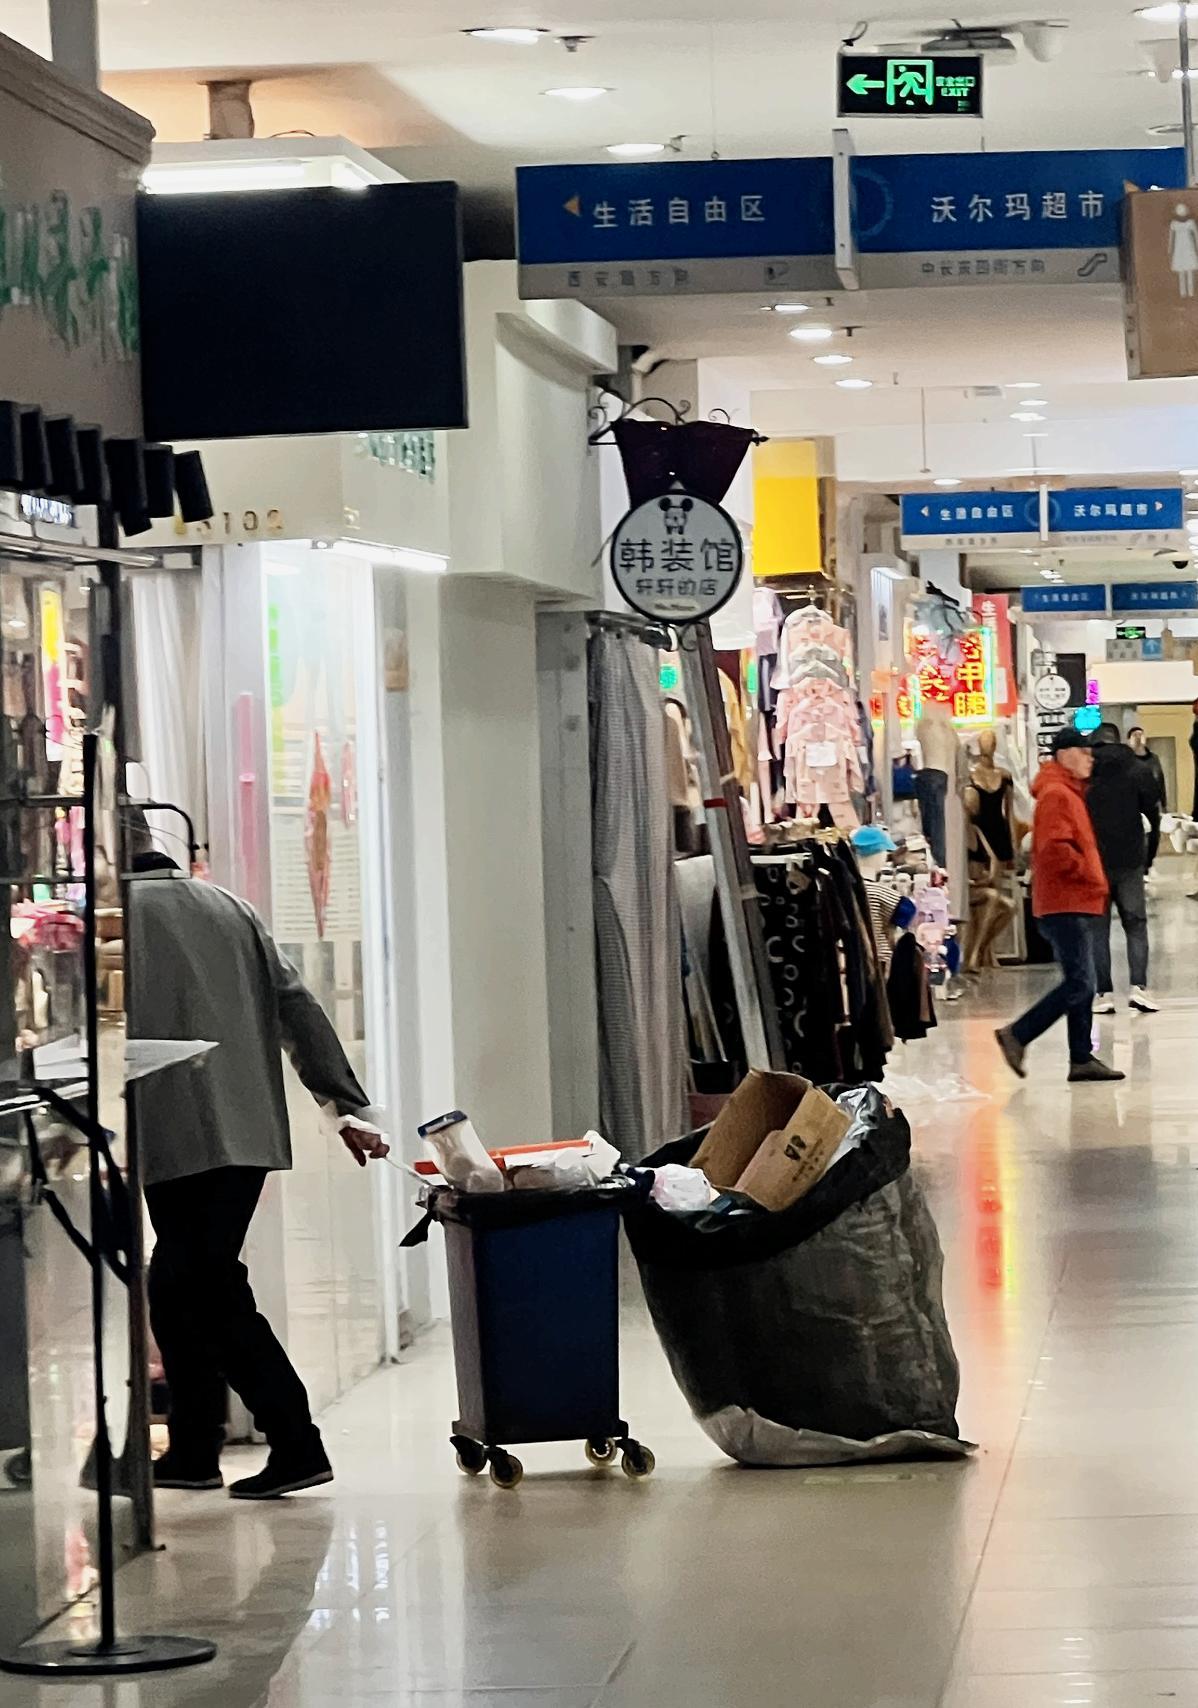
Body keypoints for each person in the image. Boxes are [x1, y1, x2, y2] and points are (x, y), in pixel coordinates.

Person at [127, 856, 390, 1500]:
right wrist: (344, 1105)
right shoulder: (231, 908)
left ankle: (297, 1443)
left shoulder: (119, 917)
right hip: (247, 1129)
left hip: (173, 1126)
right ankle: (194, 1449)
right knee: (177, 1283)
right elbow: (297, 1007)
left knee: (206, 1285)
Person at [995, 729, 1122, 1084]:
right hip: (1065, 901)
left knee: (1081, 981)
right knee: (1080, 983)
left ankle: (1081, 1058)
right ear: (1065, 755)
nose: (1091, 758)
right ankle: (1018, 1033)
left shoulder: (1067, 792)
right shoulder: (1056, 794)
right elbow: (1055, 849)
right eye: (1085, 752)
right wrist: (1088, 875)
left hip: (1072, 899)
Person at [1087, 722, 1161, 1015]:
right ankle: (1138, 988)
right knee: (1136, 925)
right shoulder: (1136, 769)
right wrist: (1148, 859)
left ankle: (1102, 993)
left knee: (1098, 929)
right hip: (1130, 859)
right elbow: (1152, 812)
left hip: (1095, 861)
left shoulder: (1084, 772)